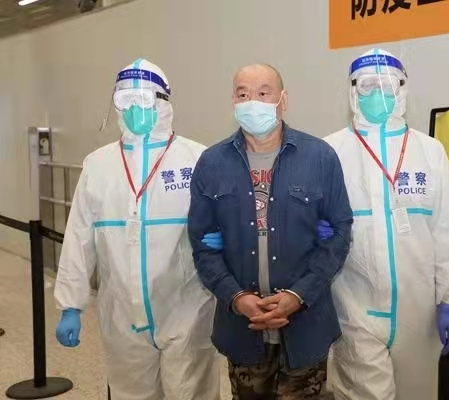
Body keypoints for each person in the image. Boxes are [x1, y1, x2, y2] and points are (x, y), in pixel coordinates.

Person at [54, 59, 220, 400]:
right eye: (124, 100)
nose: (133, 109)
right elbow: (78, 238)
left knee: (192, 393)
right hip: (121, 315)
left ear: (163, 102)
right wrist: (71, 305)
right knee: (131, 394)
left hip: (187, 309)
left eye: (142, 100)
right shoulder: (98, 165)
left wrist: (225, 243)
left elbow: (228, 221)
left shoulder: (196, 159)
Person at [188, 63, 353, 400]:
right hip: (242, 329)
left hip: (306, 324)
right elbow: (203, 245)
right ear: (233, 101)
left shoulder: (319, 157)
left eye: (263, 93)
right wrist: (237, 297)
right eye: (243, 94)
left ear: (283, 100)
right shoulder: (211, 163)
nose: (253, 102)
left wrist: (299, 295)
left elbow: (339, 232)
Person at [323, 48, 449, 400]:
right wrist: (316, 232)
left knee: (417, 392)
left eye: (388, 85)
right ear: (353, 90)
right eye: (368, 86)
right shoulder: (330, 151)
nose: (378, 94)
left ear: (402, 89)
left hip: (417, 309)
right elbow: (308, 217)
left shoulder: (429, 151)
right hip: (353, 304)